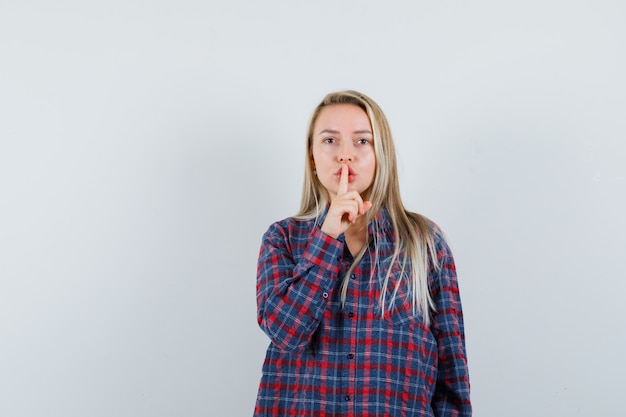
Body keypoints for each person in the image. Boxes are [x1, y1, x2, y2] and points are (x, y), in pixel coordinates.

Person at [254, 90, 471, 417]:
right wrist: (327, 235)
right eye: (329, 141)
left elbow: (452, 375)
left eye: (361, 141)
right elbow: (286, 331)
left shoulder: (425, 243)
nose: (345, 155)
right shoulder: (282, 238)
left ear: (380, 153)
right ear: (312, 156)